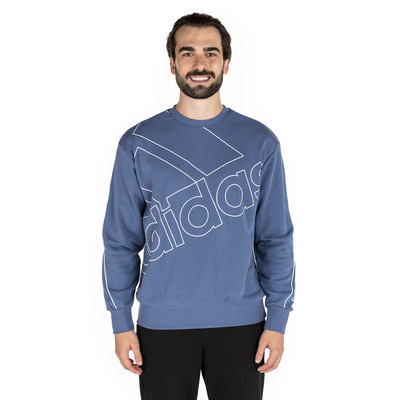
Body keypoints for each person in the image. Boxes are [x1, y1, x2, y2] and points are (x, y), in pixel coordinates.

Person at [102, 12, 295, 400]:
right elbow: (120, 242)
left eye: (211, 52)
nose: (200, 63)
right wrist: (121, 321)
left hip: (243, 326)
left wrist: (277, 319)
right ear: (172, 63)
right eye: (187, 53)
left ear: (227, 62)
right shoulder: (137, 143)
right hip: (161, 326)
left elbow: (275, 238)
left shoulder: (260, 142)